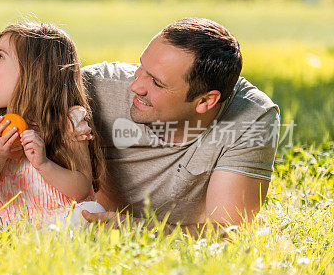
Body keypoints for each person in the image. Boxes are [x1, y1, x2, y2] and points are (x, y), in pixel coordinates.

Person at [81, 17, 280, 236]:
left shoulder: (251, 117)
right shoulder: (91, 88)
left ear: (205, 101)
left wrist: (141, 230)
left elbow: (228, 231)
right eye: (141, 66)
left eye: (157, 83)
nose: (135, 85)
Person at [0, 21, 105, 230]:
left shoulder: (68, 121)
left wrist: (44, 164)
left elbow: (81, 189)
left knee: (93, 210)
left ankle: (45, 240)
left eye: (0, 56)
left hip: (51, 221)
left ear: (34, 73)